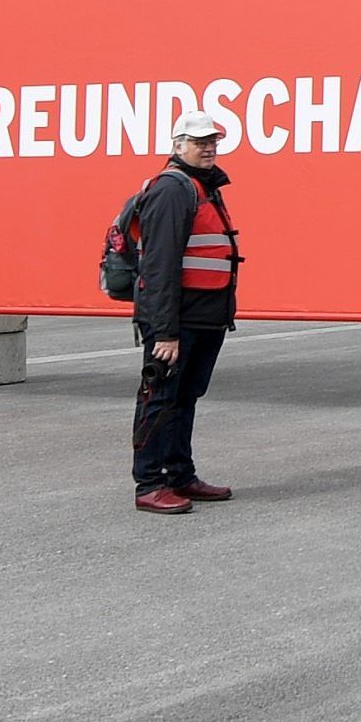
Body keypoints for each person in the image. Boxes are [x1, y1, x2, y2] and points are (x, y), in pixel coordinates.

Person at [129, 109, 244, 515]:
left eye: (212, 141)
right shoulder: (172, 189)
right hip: (178, 321)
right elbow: (159, 265)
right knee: (159, 398)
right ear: (178, 146)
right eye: (199, 142)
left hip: (203, 317)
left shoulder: (202, 186)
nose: (208, 148)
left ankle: (179, 474)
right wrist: (165, 332)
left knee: (183, 399)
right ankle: (149, 483)